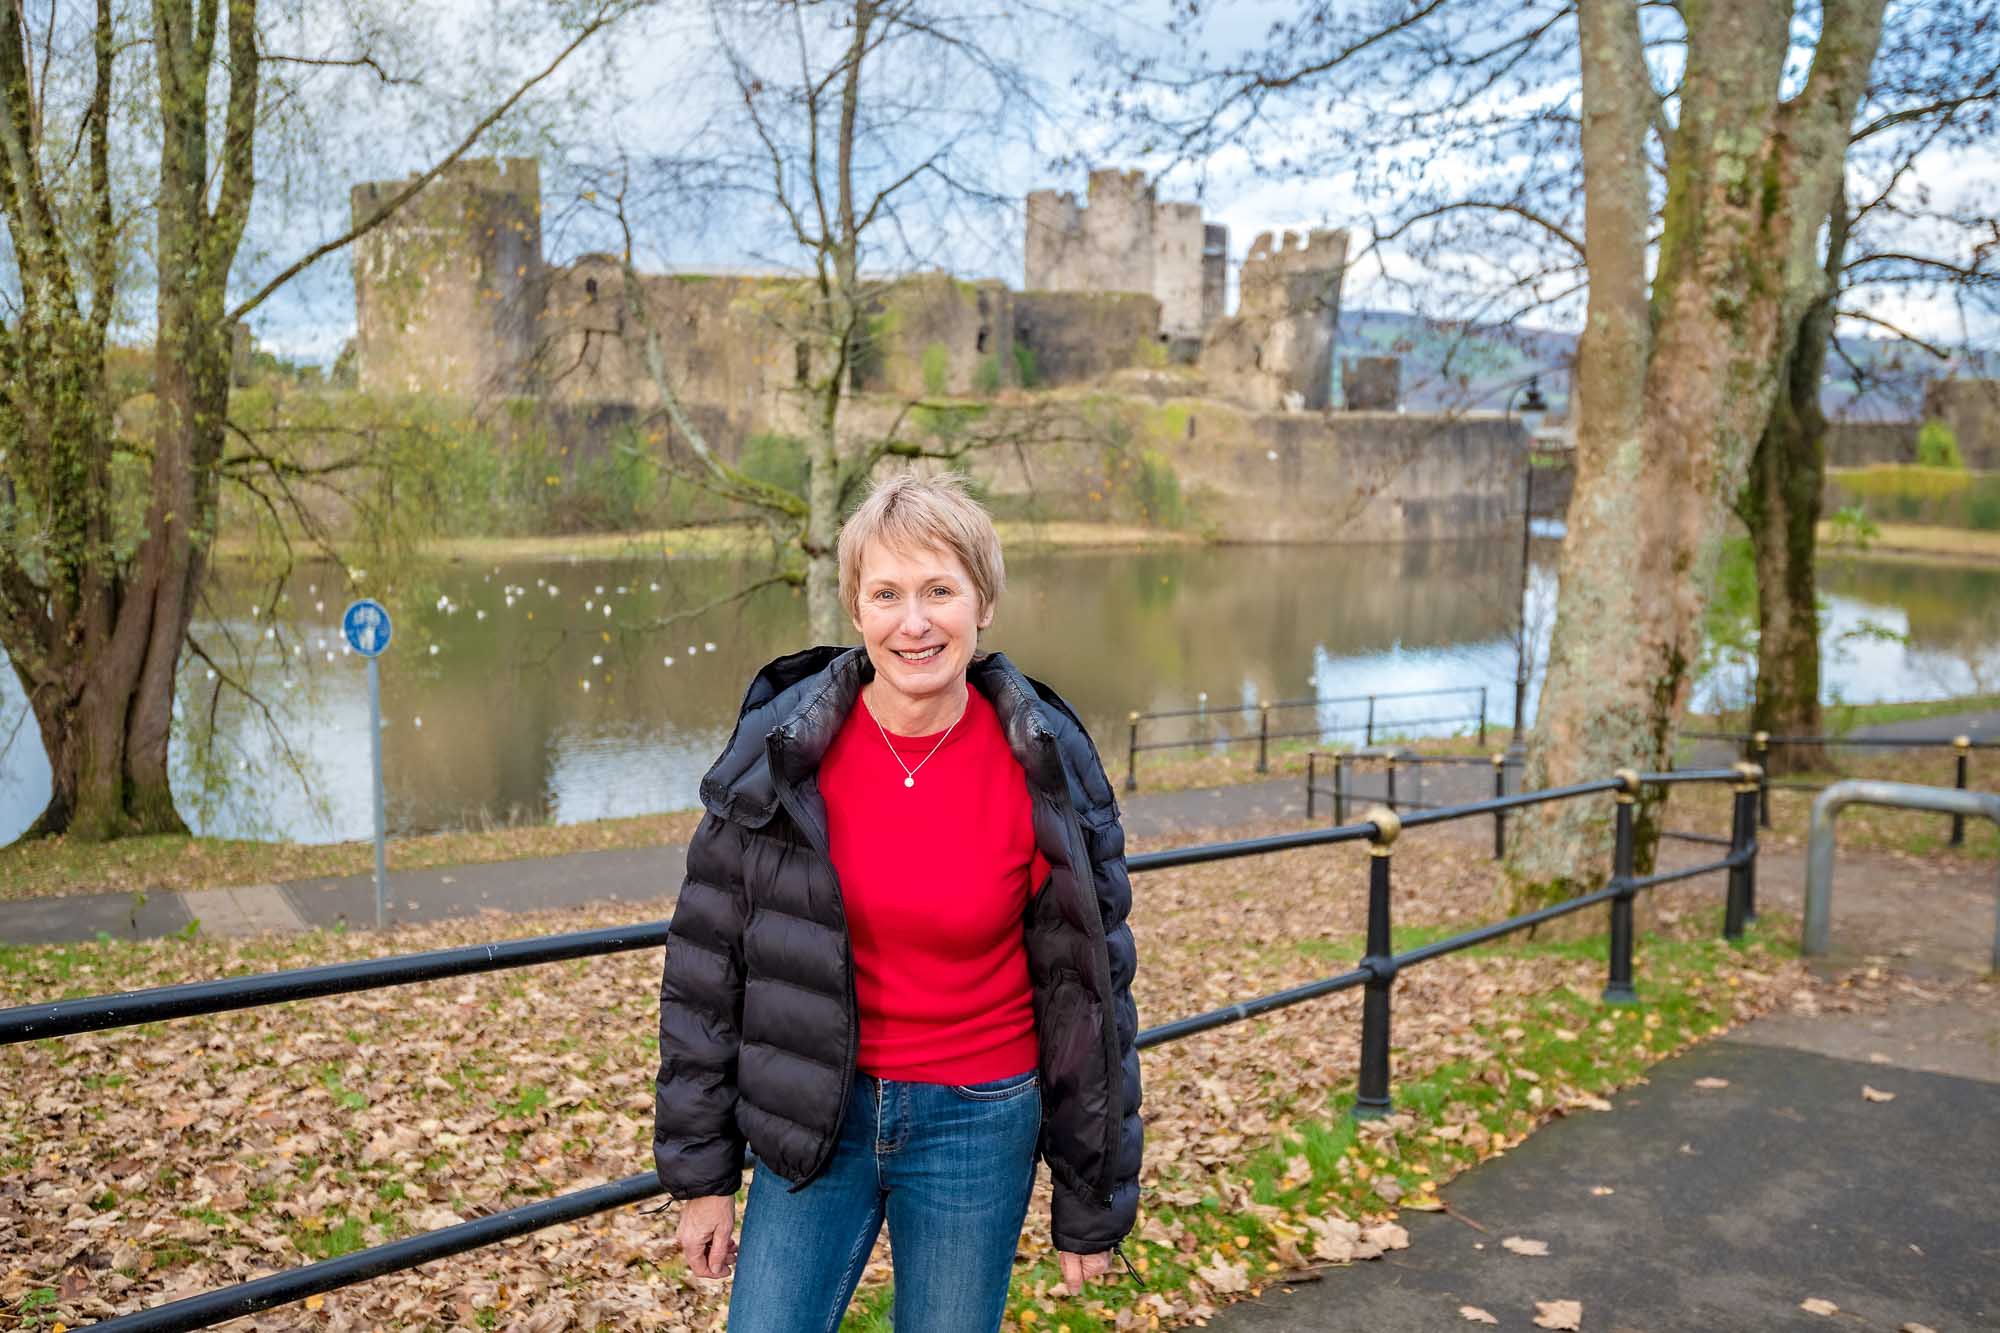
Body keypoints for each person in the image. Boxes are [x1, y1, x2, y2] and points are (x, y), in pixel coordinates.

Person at [652, 471, 1142, 1331]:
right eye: (886, 593)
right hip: (815, 1114)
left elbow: (1092, 996)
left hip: (978, 1121)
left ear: (982, 603)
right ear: (855, 608)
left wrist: (1089, 1196)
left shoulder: (1045, 761)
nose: (913, 622)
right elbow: (705, 972)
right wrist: (702, 1177)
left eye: (939, 590)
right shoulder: (780, 752)